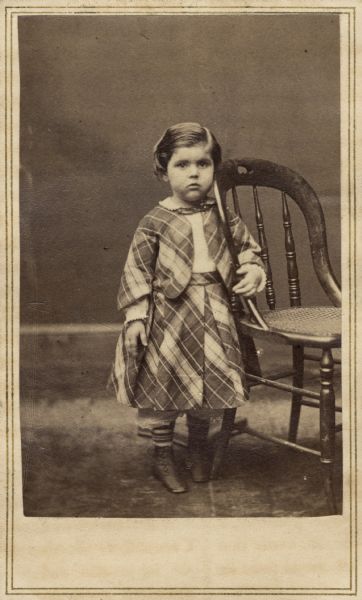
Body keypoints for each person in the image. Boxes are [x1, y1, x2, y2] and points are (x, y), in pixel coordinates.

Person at [112, 122, 266, 494]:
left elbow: (247, 248)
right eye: (182, 165)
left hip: (214, 310)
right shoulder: (155, 222)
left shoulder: (223, 216)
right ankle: (163, 453)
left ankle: (198, 445)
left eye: (203, 163)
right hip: (169, 317)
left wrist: (253, 269)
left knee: (207, 385)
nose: (194, 173)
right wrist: (135, 316)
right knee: (165, 387)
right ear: (163, 169)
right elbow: (136, 270)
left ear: (214, 167)